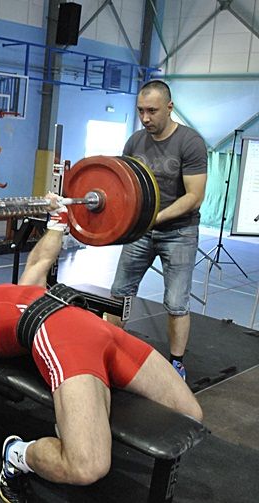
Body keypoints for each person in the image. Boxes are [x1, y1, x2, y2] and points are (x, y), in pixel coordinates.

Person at [0, 200, 203, 503]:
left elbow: (39, 264)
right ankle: (17, 455)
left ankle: (73, 424)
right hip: (60, 337)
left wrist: (58, 220)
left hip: (100, 330)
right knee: (87, 466)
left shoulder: (0, 293)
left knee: (189, 414)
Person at [107, 80, 208, 380]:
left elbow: (194, 196)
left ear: (169, 107)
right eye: (140, 111)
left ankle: (176, 362)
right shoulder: (135, 142)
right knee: (119, 294)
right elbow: (123, 187)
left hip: (179, 232)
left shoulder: (190, 142)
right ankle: (107, 347)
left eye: (152, 111)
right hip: (141, 233)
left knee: (177, 302)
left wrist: (155, 218)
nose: (146, 118)